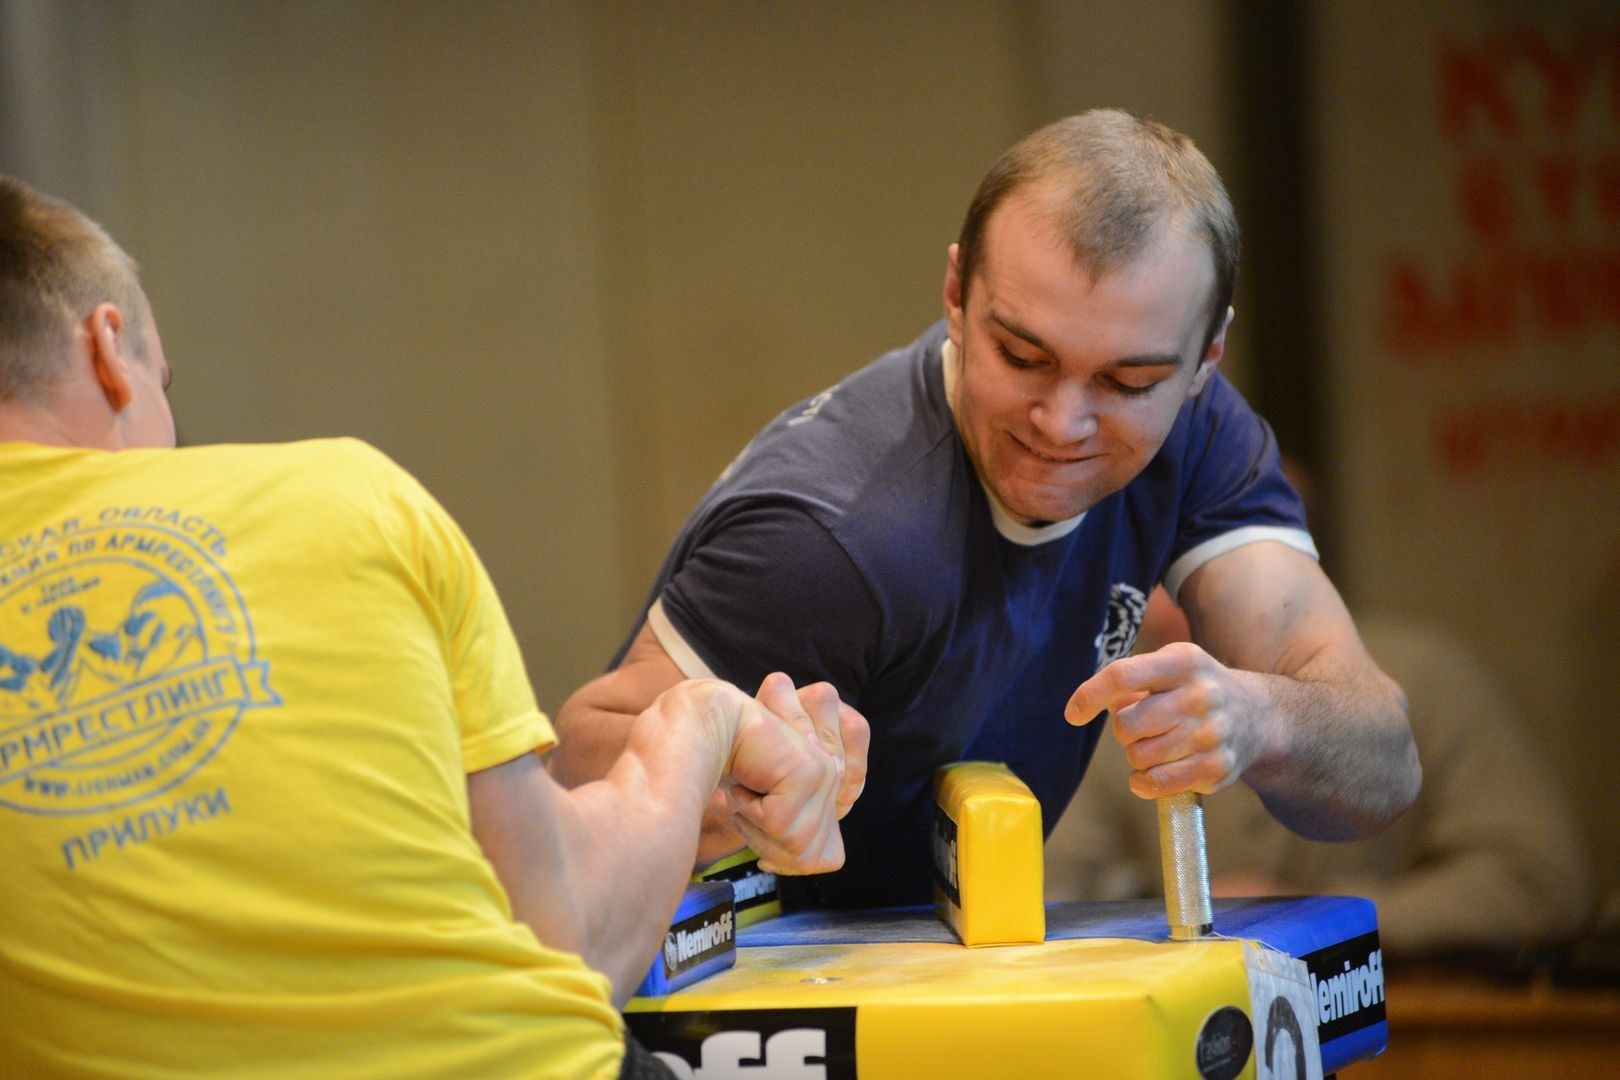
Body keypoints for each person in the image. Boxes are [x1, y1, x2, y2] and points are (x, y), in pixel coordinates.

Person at [0, 175, 864, 1078]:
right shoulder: (344, 497)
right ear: (107, 348)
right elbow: (574, 933)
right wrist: (702, 719)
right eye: (161, 382)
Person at [551, 109, 1421, 910]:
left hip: (944, 971)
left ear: (1204, 362)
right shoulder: (840, 537)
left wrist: (1256, 717)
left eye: (1129, 382)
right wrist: (736, 791)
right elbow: (581, 774)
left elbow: (1382, 769)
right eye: (1023, 355)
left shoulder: (1197, 434)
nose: (1062, 422)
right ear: (957, 294)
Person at [1045, 587, 1592, 959]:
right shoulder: (1122, 698)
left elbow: (1540, 882)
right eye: (1162, 566)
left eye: (1207, 554)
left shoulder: (1425, 675)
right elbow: (1052, 896)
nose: (1173, 598)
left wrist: (1308, 914)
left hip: (1398, 1021)